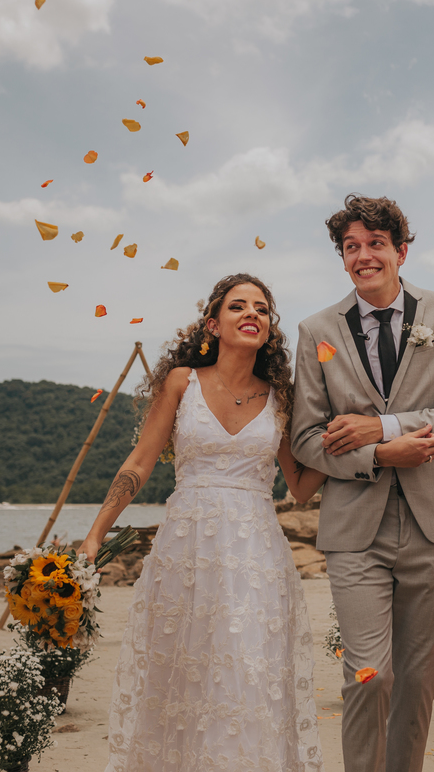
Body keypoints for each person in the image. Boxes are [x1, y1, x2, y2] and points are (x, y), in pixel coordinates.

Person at [81, 274, 328, 772]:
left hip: (257, 555)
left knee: (247, 673)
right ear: (212, 324)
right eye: (238, 306)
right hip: (185, 551)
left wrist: (342, 438)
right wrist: (93, 537)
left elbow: (299, 487)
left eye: (261, 307)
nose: (252, 313)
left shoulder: (280, 398)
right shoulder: (180, 382)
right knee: (181, 678)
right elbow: (139, 463)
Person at [291, 194, 434, 772]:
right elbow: (305, 440)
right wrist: (381, 454)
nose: (363, 255)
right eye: (351, 247)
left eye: (375, 244)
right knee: (369, 673)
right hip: (355, 528)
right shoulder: (315, 330)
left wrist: (386, 426)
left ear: (401, 251)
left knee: (420, 678)